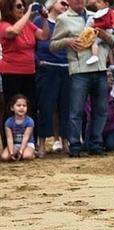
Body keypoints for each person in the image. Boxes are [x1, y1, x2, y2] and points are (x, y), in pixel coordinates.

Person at [50, 0, 114, 157]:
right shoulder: (63, 19)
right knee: (76, 111)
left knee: (100, 110)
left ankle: (96, 143)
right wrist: (68, 41)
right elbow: (52, 45)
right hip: (79, 70)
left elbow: (113, 42)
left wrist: (103, 33)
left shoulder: (96, 16)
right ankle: (75, 145)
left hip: (99, 68)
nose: (78, 1)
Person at [0, 0, 50, 148]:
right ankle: (9, 146)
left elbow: (43, 36)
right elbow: (13, 32)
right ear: (9, 9)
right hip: (11, 72)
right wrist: (29, 12)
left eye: (23, 6)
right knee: (11, 107)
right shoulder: (4, 25)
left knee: (31, 107)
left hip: (29, 71)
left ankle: (30, 144)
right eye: (19, 6)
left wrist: (45, 19)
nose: (22, 9)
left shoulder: (27, 24)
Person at [34, 0, 70, 156]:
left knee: (65, 107)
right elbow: (32, 44)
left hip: (66, 67)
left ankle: (65, 142)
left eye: (68, 4)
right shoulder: (39, 20)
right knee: (46, 106)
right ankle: (41, 143)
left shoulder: (68, 21)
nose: (66, 5)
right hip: (47, 67)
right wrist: (37, 61)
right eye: (63, 2)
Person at [84, 70, 114, 151]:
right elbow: (90, 115)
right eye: (108, 77)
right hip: (94, 128)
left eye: (111, 76)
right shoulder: (90, 95)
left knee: (113, 146)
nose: (111, 79)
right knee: (88, 147)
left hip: (112, 128)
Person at [1, 94, 35, 161]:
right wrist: (11, 152)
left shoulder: (29, 121)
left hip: (27, 144)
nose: (21, 107)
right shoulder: (8, 122)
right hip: (14, 144)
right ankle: (15, 153)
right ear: (12, 108)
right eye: (18, 105)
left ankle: (33, 153)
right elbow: (9, 138)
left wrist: (21, 150)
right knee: (4, 157)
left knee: (26, 157)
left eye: (24, 106)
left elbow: (26, 137)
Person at [85, 0, 113, 65]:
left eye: (99, 2)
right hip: (102, 30)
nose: (96, 4)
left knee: (94, 41)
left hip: (106, 31)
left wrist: (94, 26)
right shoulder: (100, 12)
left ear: (106, 4)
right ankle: (112, 63)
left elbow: (107, 23)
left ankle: (95, 56)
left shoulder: (108, 12)